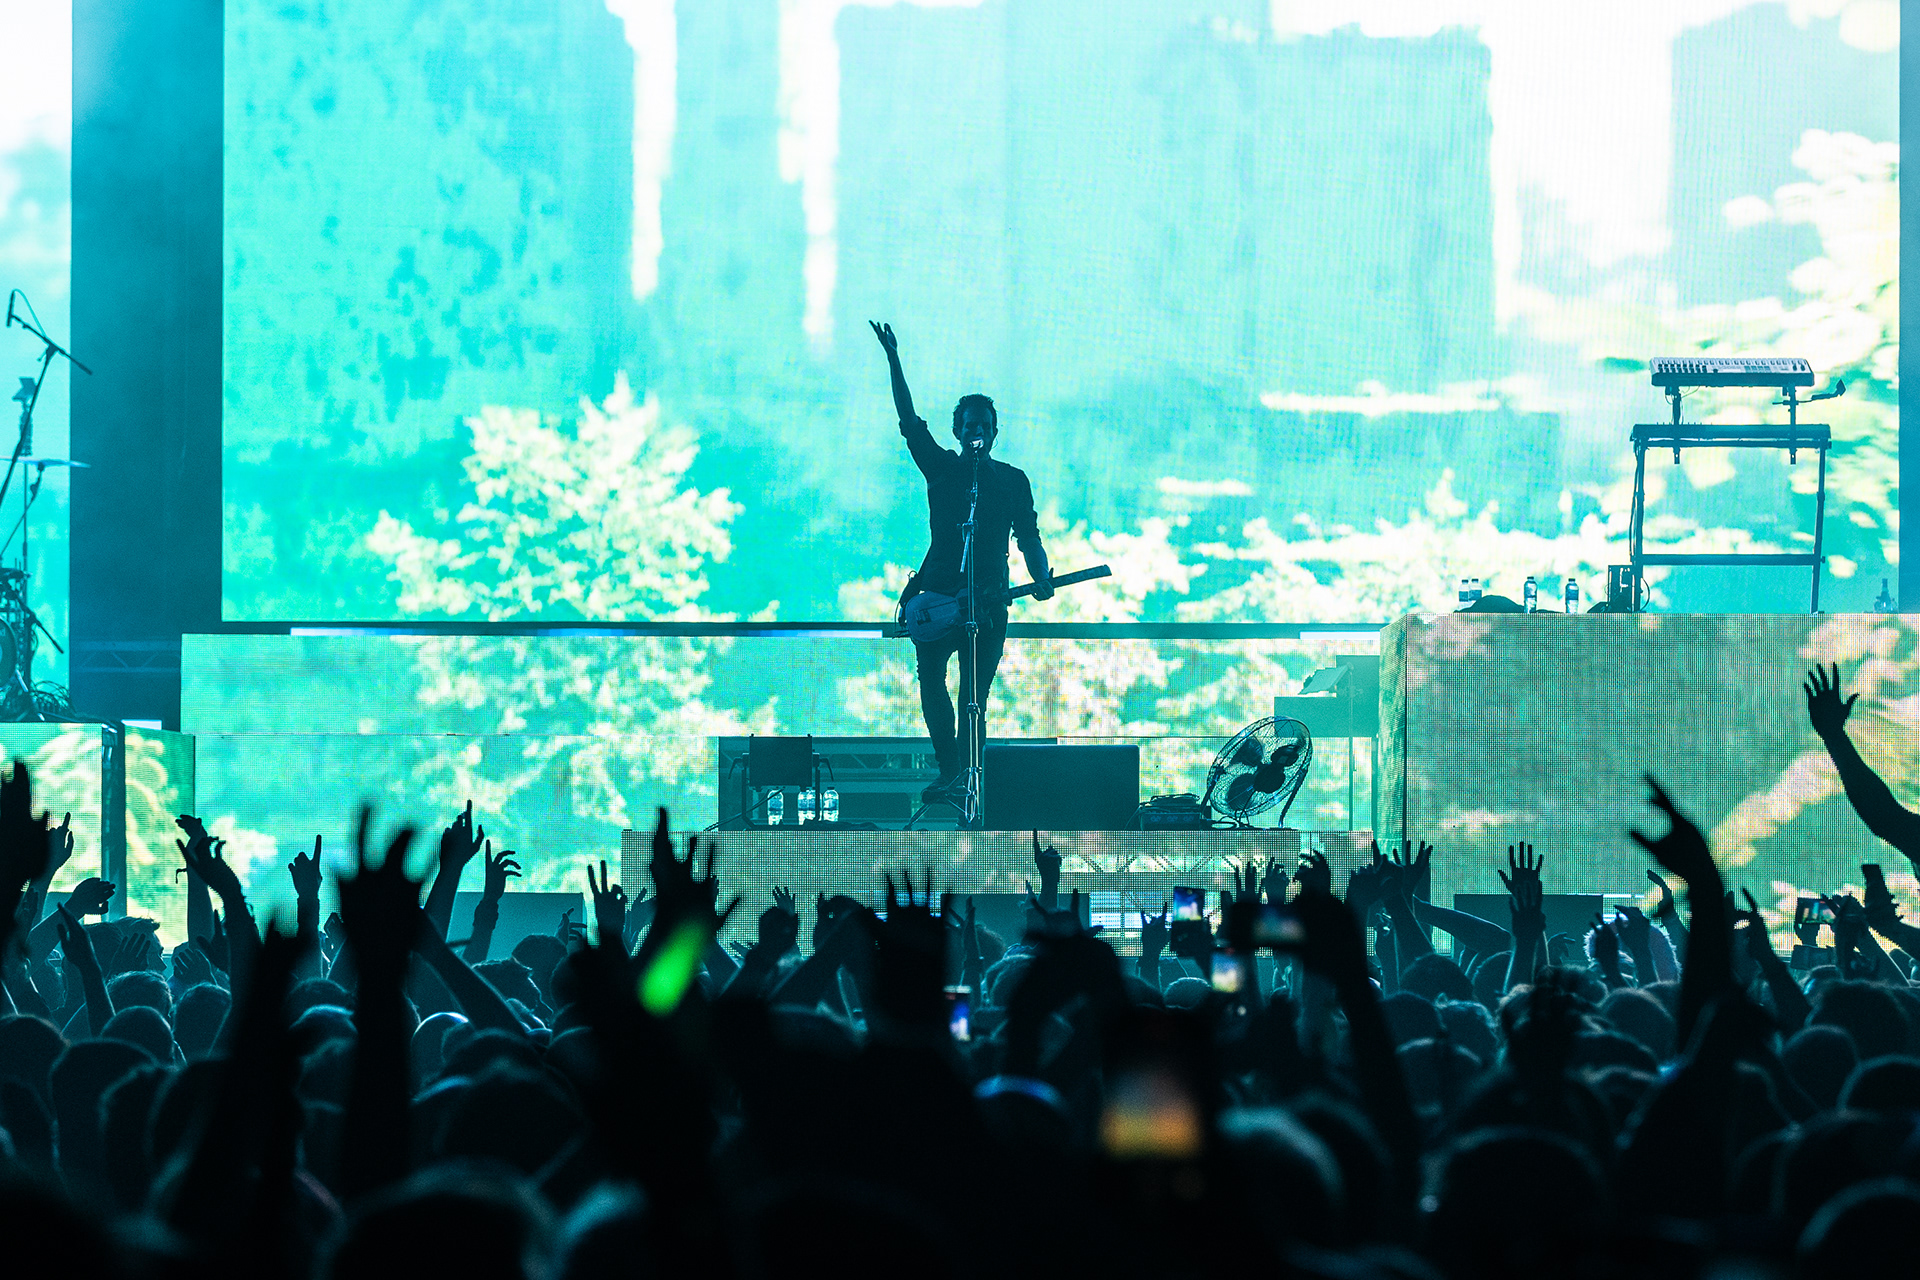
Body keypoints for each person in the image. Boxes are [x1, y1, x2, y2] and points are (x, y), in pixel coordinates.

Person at [870, 321, 1052, 805]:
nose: (978, 432)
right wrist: (894, 360)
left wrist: (1041, 577)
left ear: (994, 434)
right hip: (935, 598)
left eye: (985, 427)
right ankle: (950, 769)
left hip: (987, 604)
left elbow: (1029, 537)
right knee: (931, 682)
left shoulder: (1012, 481)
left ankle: (971, 778)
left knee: (974, 696)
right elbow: (910, 422)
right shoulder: (942, 468)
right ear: (958, 431)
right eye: (970, 426)